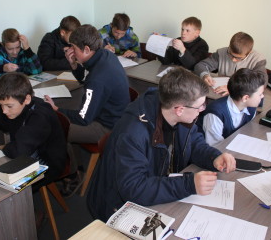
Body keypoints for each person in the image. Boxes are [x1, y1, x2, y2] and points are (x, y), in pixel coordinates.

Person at [87, 67, 236, 221]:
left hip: (155, 187)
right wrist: (188, 185)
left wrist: (213, 157)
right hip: (118, 206)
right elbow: (134, 188)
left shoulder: (174, 109)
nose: (202, 110)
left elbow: (194, 141)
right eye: (200, 107)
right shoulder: (132, 133)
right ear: (179, 109)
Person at [45, 24, 130, 195]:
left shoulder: (98, 78)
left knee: (57, 127)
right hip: (118, 116)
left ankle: (74, 174)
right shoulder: (105, 55)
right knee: (66, 116)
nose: (70, 51)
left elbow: (83, 118)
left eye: (73, 48)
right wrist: (74, 65)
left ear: (85, 48)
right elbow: (87, 79)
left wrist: (56, 109)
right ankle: (78, 166)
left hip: (108, 127)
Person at [197, 68, 266, 146]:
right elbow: (214, 146)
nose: (262, 96)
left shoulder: (251, 107)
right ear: (245, 98)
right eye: (260, 94)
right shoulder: (215, 114)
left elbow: (248, 132)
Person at [194, 32, 267, 96]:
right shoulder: (221, 53)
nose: (233, 59)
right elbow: (200, 65)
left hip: (243, 96)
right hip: (220, 93)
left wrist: (234, 88)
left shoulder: (258, 60)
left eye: (238, 58)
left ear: (250, 52)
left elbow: (262, 82)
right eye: (230, 54)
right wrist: (205, 75)